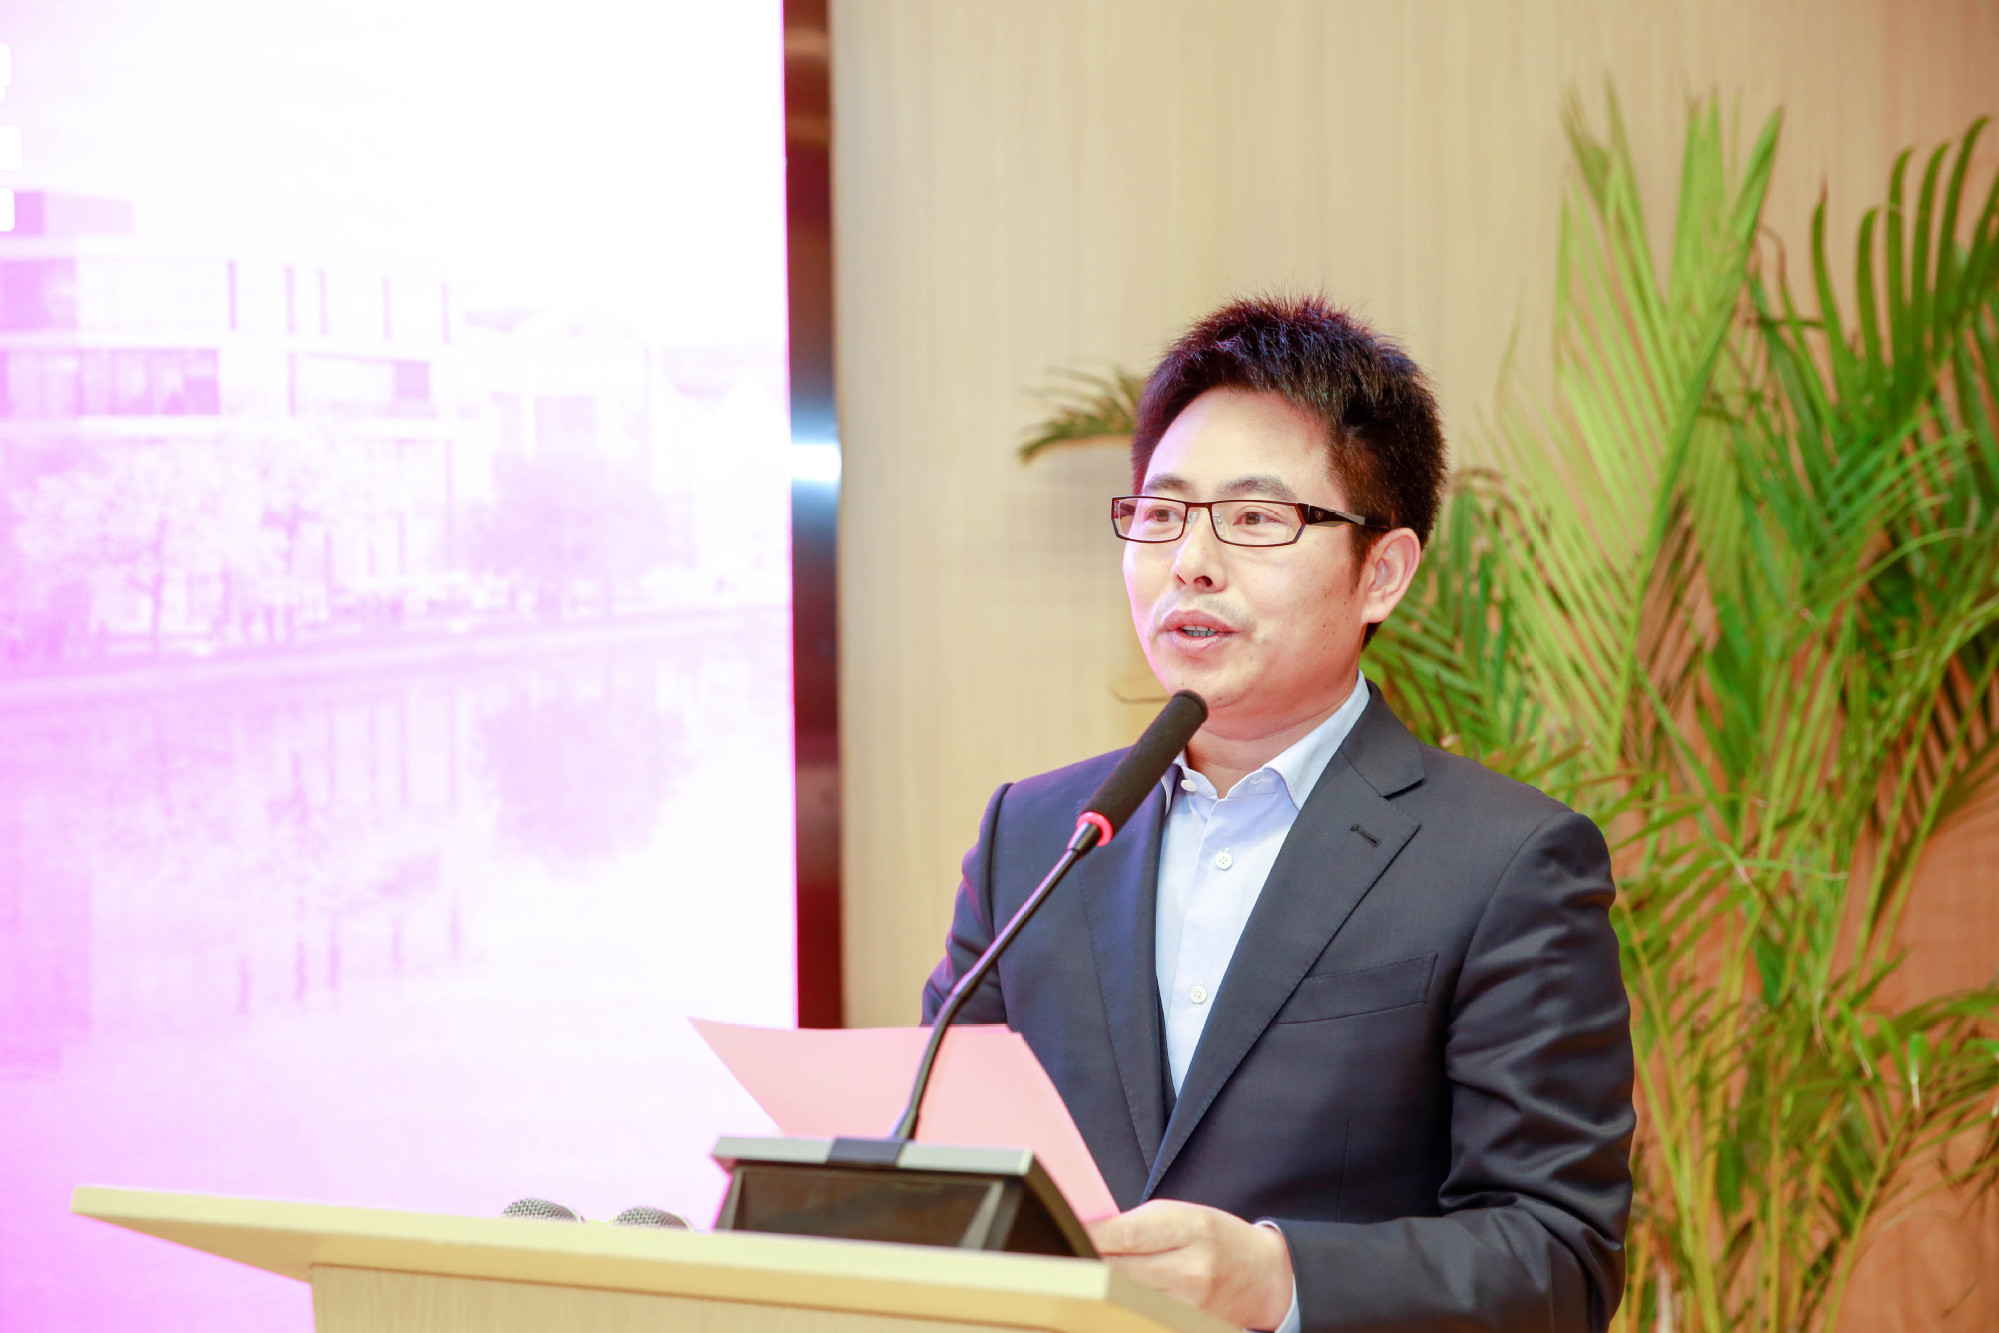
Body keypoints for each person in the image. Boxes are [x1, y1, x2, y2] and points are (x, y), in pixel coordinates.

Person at [922, 295, 1634, 1333]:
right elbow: (942, 1159)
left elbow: (1558, 1255)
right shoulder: (1033, 837)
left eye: (1255, 520)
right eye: (1160, 514)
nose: (1190, 561)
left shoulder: (1505, 862)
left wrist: (1277, 1278)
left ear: (1381, 572)